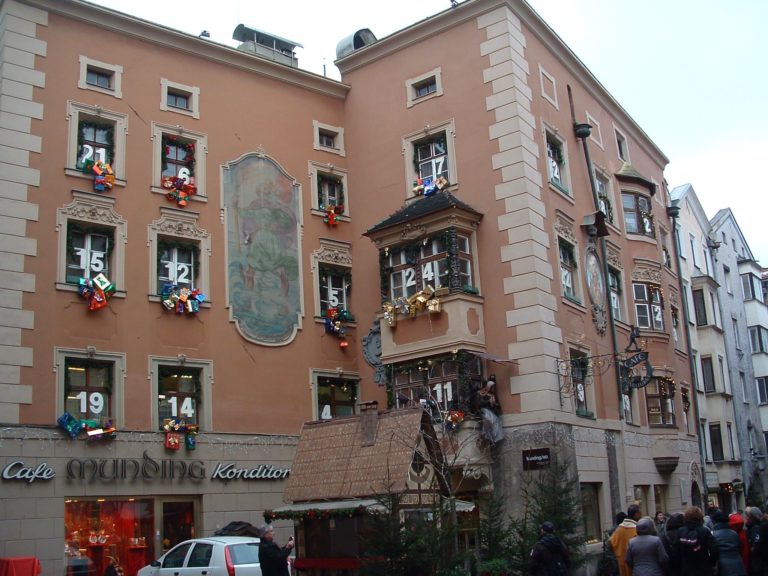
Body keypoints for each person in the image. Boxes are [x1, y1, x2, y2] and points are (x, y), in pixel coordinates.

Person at [676, 506, 719, 576]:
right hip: (703, 567)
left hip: (686, 569)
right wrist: (711, 562)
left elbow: (676, 551)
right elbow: (714, 549)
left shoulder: (680, 531)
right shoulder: (704, 531)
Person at [610, 504, 641, 576]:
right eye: (640, 513)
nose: (640, 515)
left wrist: (617, 554)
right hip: (634, 565)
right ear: (636, 514)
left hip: (622, 564)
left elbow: (611, 543)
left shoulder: (619, 529)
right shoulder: (637, 529)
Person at [712, 510, 746, 576]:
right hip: (738, 564)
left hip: (722, 565)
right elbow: (740, 548)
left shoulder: (713, 534)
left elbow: (713, 551)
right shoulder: (734, 533)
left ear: (714, 522)